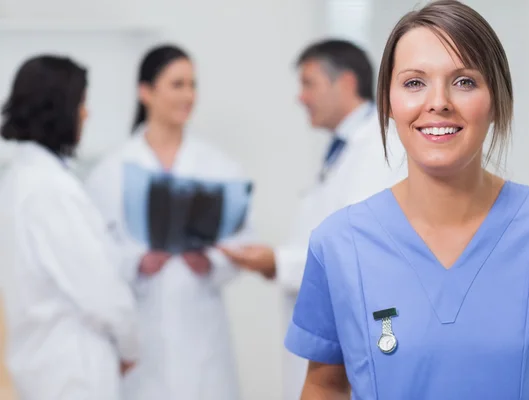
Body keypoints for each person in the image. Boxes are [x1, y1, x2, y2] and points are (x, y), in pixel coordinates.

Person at [284, 1, 529, 399]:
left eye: (464, 81)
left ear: (497, 100)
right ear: (388, 102)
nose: (438, 102)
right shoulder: (338, 244)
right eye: (414, 82)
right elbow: (324, 386)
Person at [219, 39, 406, 399]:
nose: (300, 97)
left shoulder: (379, 148)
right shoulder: (343, 150)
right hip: (325, 338)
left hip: (353, 340)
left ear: (347, 83)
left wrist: (276, 262)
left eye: (308, 83)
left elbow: (356, 251)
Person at [84, 44, 250, 400]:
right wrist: (136, 262)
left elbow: (243, 239)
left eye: (192, 85)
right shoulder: (111, 172)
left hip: (202, 330)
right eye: (177, 84)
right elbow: (94, 253)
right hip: (141, 333)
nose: (189, 95)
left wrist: (213, 261)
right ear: (146, 92)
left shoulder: (217, 166)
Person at [0, 55, 139, 400]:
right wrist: (130, 345)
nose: (86, 114)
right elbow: (100, 291)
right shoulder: (49, 189)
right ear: (60, 108)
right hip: (74, 370)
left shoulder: (20, 178)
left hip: (42, 363)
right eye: (81, 103)